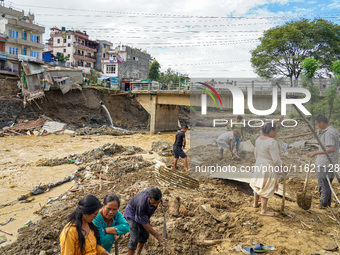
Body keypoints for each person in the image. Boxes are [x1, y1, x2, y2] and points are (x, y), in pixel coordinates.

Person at [250, 123, 282, 217]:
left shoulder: (258, 139)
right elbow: (276, 159)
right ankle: (263, 210)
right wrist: (282, 167)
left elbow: (256, 153)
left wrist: (258, 161)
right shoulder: (272, 142)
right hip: (268, 166)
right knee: (265, 186)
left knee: (257, 184)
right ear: (271, 131)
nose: (276, 132)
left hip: (259, 163)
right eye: (276, 130)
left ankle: (255, 204)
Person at [308, 114, 339, 208]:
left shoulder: (329, 133)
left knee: (323, 183)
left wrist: (315, 152)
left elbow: (331, 148)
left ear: (321, 123)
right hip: (331, 162)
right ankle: (327, 203)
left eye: (317, 124)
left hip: (325, 162)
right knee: (327, 183)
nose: (317, 126)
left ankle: (323, 203)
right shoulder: (334, 130)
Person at [125, 188, 166, 255]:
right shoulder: (141, 204)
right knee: (134, 239)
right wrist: (157, 236)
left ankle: (138, 253)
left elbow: (159, 196)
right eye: (153, 203)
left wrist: (162, 200)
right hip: (132, 214)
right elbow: (145, 224)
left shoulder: (154, 192)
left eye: (157, 203)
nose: (155, 205)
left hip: (143, 214)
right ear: (148, 197)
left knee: (145, 235)